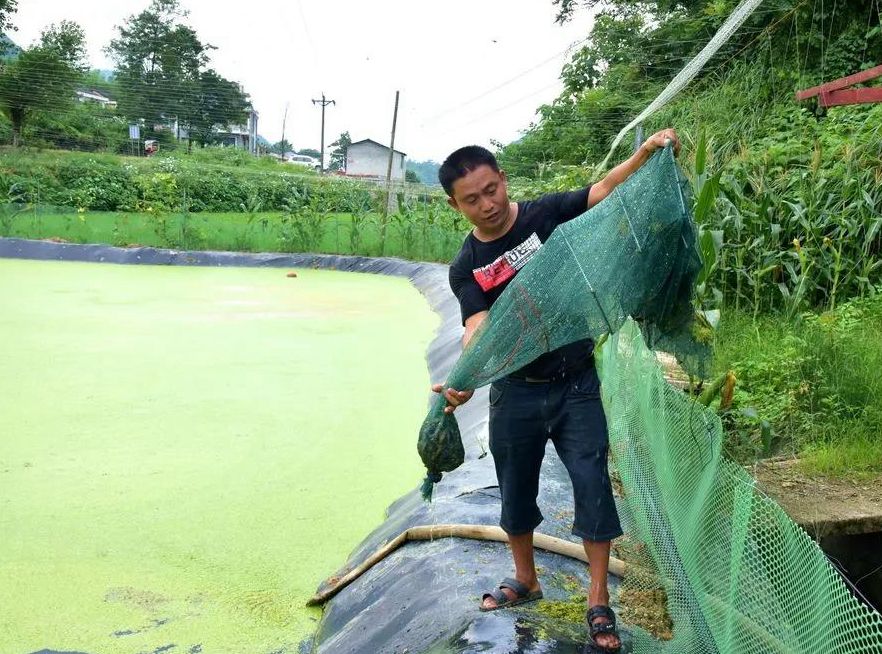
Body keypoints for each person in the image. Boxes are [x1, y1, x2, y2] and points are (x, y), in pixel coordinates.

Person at [433, 129, 680, 654]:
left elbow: (602, 191)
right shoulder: (466, 267)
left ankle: (598, 601)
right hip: (515, 392)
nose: (487, 205)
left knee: (592, 482)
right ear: (457, 207)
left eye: (491, 189)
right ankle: (526, 579)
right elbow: (476, 326)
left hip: (576, 383)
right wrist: (463, 378)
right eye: (471, 200)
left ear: (502, 180)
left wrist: (643, 153)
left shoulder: (546, 215)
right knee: (515, 487)